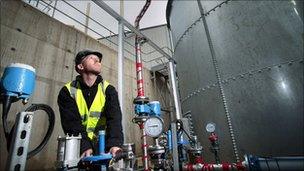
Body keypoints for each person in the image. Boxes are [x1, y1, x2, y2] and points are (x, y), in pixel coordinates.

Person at [57, 49, 123, 158]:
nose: (97, 60)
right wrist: (84, 146)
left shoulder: (108, 90)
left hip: (105, 146)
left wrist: (115, 144)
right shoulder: (68, 91)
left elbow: (114, 119)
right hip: (80, 147)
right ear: (80, 67)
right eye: (92, 58)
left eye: (99, 60)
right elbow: (71, 123)